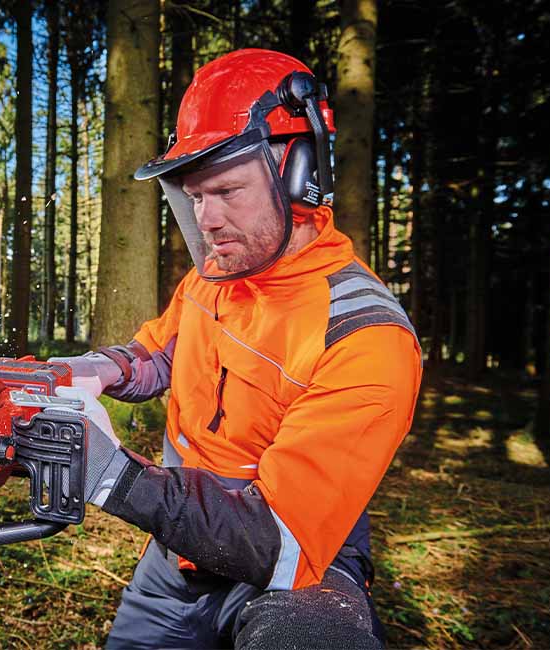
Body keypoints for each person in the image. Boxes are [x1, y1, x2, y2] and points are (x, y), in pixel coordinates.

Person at [50, 49, 422, 649]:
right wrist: (91, 371)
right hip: (178, 555)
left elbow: (275, 541)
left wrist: (111, 474)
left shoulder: (365, 334)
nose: (208, 219)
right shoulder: (216, 276)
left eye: (226, 190)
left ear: (301, 173)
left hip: (296, 571)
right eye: (195, 197)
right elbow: (160, 354)